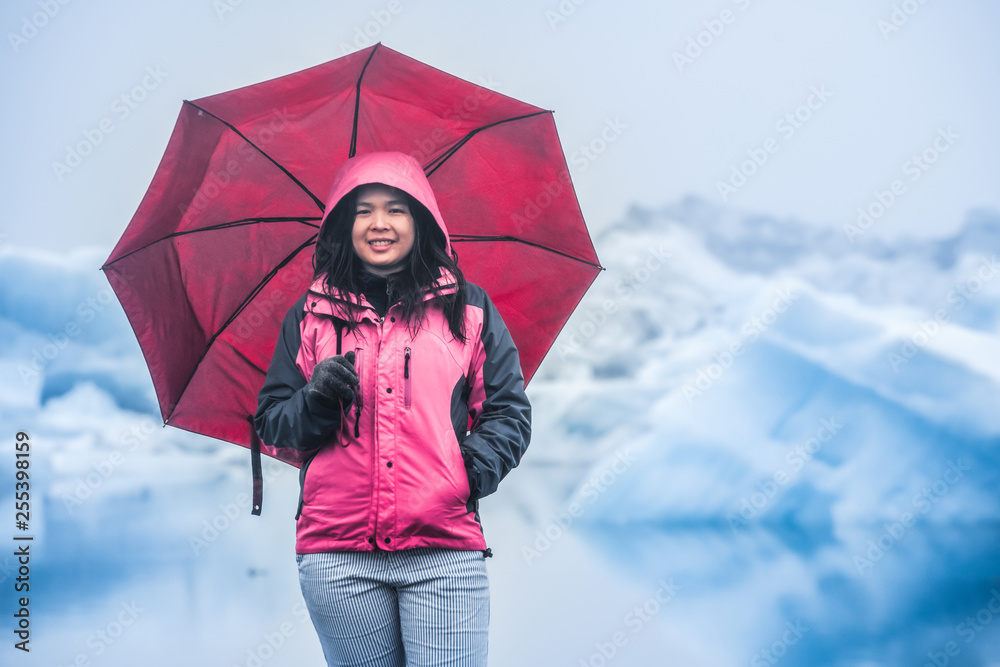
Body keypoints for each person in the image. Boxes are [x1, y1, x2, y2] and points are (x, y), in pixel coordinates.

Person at [254, 151, 531, 667]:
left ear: (421, 218)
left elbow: (507, 411)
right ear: (343, 223)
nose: (379, 224)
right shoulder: (310, 317)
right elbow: (272, 425)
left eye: (396, 209)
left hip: (443, 551)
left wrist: (463, 476)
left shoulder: (467, 310)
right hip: (338, 558)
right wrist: (313, 401)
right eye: (363, 210)